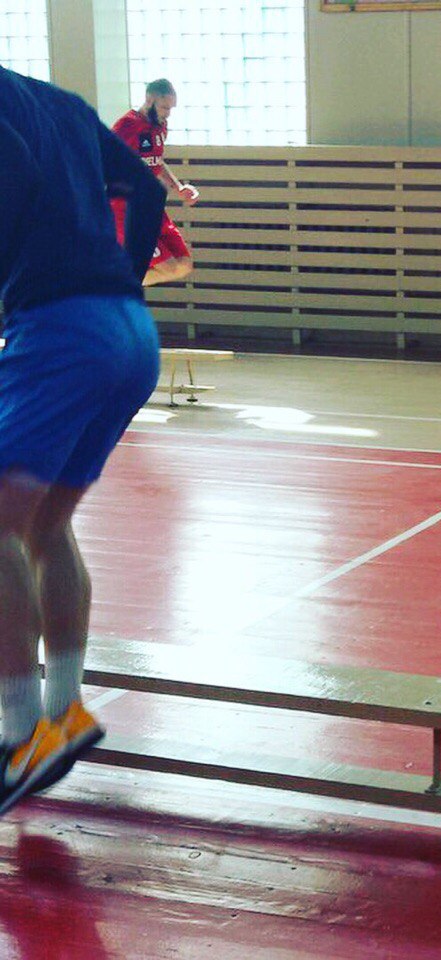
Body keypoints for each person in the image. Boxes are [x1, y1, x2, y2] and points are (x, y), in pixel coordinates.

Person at [0, 65, 166, 814]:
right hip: (130, 329)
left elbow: (11, 167)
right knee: (45, 526)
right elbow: (149, 192)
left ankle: (19, 735)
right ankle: (64, 709)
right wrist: (119, 280)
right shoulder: (62, 104)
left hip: (62, 329)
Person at [111, 78, 200, 287]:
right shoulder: (127, 125)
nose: (168, 113)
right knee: (168, 267)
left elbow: (156, 161)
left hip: (152, 208)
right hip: (127, 211)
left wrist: (179, 187)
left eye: (171, 108)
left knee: (184, 265)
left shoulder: (160, 126)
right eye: (164, 107)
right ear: (150, 99)